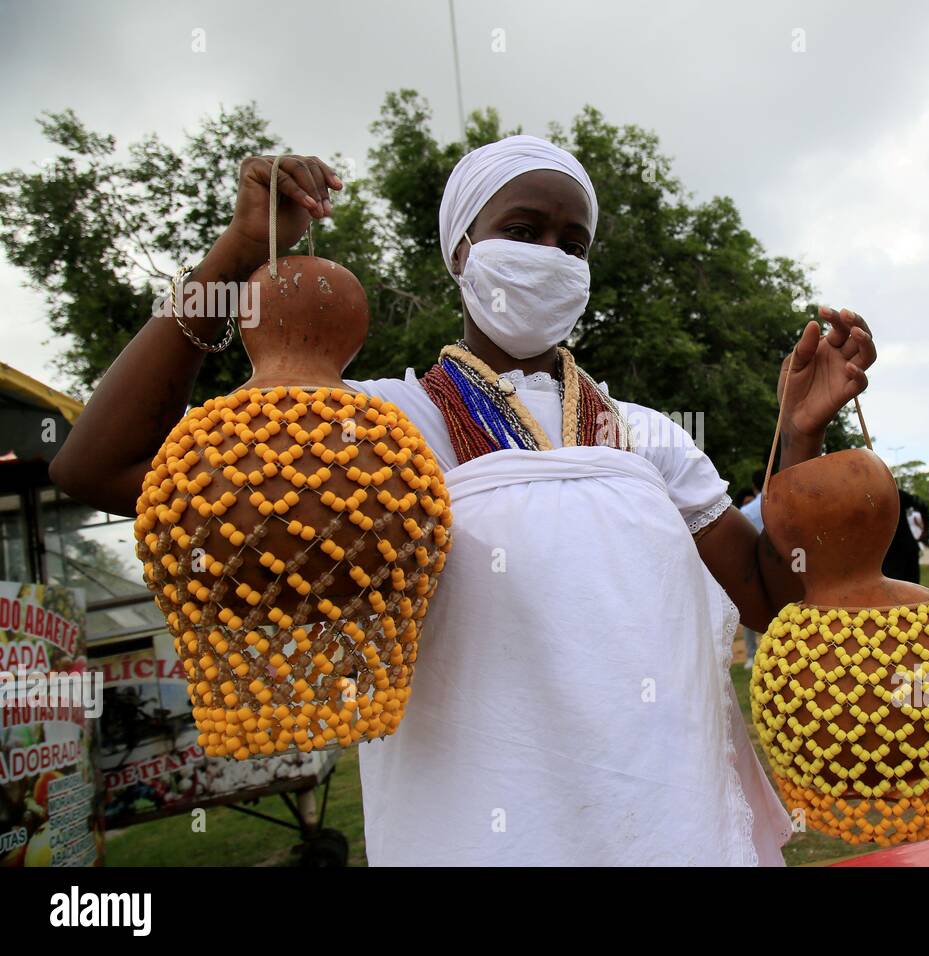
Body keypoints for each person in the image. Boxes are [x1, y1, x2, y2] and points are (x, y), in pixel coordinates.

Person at [46, 138, 879, 866]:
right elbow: (101, 464)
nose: (551, 254)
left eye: (573, 242)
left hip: (669, 816)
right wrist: (235, 254)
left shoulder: (648, 436)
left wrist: (798, 437)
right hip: (483, 828)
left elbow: (773, 597)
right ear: (460, 251)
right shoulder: (375, 430)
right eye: (522, 232)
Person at [737, 468, 766, 668]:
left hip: (753, 566)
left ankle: (751, 654)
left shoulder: (746, 512)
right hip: (783, 565)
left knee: (748, 611)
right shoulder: (784, 501)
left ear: (755, 486)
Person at [882, 487, 928, 583]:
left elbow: (922, 505)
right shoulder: (896, 493)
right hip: (904, 550)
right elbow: (923, 505)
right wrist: (925, 531)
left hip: (890, 552)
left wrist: (925, 532)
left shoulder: (895, 493)